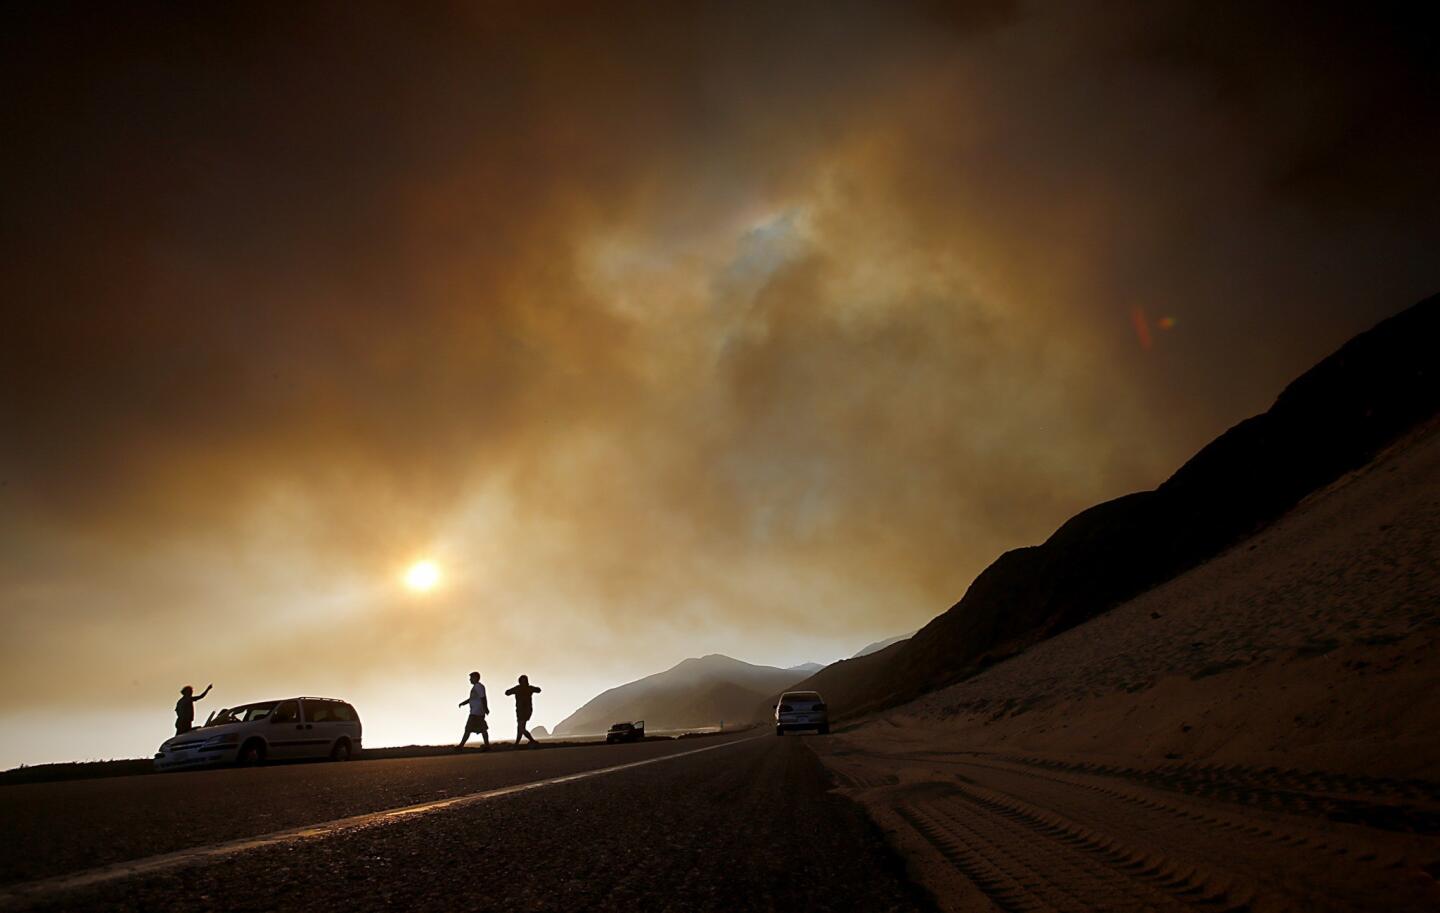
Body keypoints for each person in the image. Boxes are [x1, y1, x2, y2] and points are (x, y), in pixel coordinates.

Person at [456, 671, 490, 751]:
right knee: (482, 729)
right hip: (477, 712)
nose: (470, 680)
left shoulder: (478, 687)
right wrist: (463, 703)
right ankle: (487, 746)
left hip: (476, 712)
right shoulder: (476, 687)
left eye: (471, 678)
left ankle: (461, 746)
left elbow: (483, 698)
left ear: (475, 678)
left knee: (468, 729)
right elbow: (472, 699)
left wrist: (486, 708)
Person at [505, 674, 542, 746]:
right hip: (520, 710)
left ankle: (532, 740)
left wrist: (534, 689)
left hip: (525, 711)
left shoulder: (523, 688)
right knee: (520, 728)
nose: (523, 683)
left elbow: (538, 690)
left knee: (521, 728)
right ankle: (517, 743)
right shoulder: (523, 688)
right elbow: (507, 692)